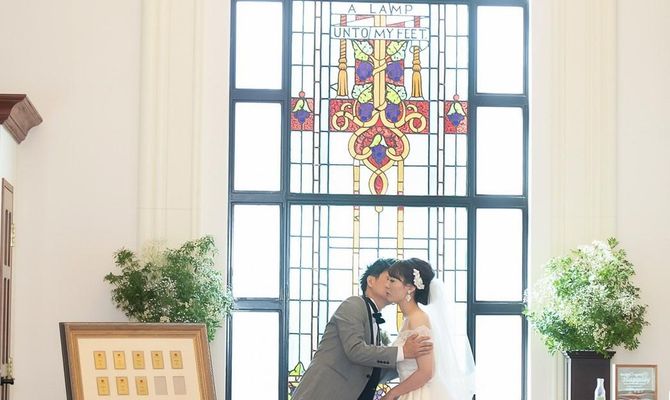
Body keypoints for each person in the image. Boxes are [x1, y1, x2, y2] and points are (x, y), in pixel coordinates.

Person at [292, 258, 434, 400]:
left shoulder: (380, 321)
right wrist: (403, 352)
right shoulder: (353, 305)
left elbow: (373, 370)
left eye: (394, 280)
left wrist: (410, 362)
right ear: (371, 281)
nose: (390, 285)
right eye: (388, 279)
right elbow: (355, 350)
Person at [381, 258, 476, 400]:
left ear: (410, 288)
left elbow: (426, 372)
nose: (387, 285)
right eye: (388, 280)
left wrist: (392, 393)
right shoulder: (409, 319)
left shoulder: (418, 319)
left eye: (392, 281)